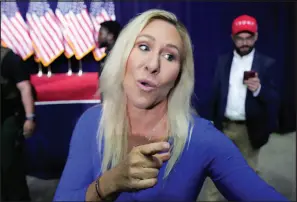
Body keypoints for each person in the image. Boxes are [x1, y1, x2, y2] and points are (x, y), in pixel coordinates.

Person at [54, 10, 287, 201]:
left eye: (169, 56)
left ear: (179, 75)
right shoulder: (92, 122)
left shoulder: (201, 138)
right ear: (123, 54)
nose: (153, 65)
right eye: (144, 47)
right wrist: (108, 183)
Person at [203, 14, 281, 201]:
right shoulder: (222, 61)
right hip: (223, 127)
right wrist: (211, 123)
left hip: (250, 129)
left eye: (248, 38)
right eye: (240, 38)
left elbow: (276, 99)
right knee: (215, 170)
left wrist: (259, 89)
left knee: (248, 175)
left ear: (255, 37)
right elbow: (214, 95)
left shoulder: (267, 64)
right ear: (233, 38)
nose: (244, 42)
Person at [1, 46, 36, 201]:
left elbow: (25, 88)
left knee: (10, 165)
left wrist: (30, 118)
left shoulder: (8, 58)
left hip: (9, 116)